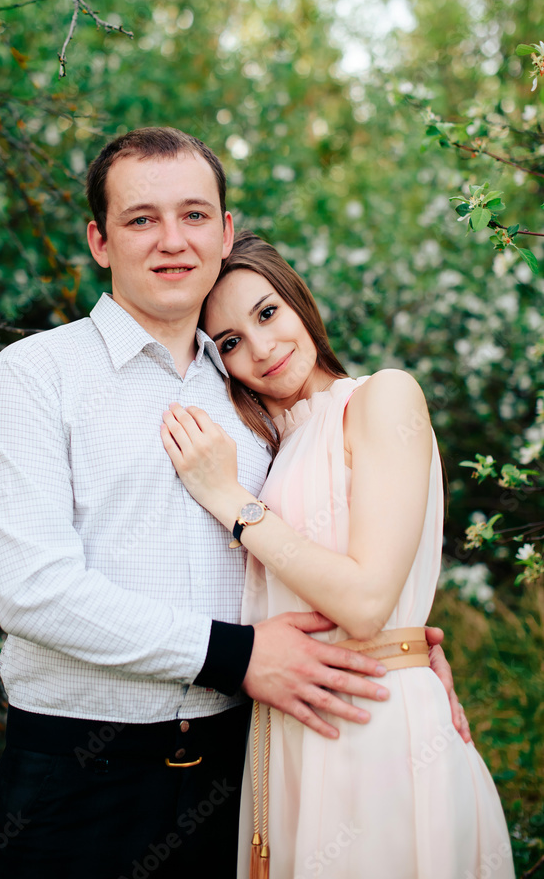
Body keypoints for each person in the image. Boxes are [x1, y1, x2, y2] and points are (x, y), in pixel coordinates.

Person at [0, 128, 466, 879]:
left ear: (226, 231)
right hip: (79, 774)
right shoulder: (37, 375)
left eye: (195, 215)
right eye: (141, 220)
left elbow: (331, 539)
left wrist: (400, 651)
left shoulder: (258, 392)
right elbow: (33, 592)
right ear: (100, 241)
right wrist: (237, 656)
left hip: (247, 764)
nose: (172, 240)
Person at [160, 230, 515, 879]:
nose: (261, 349)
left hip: (375, 725)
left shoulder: (381, 398)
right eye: (231, 343)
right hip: (288, 732)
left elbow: (365, 600)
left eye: (268, 313)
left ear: (299, 301)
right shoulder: (272, 447)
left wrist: (230, 501)